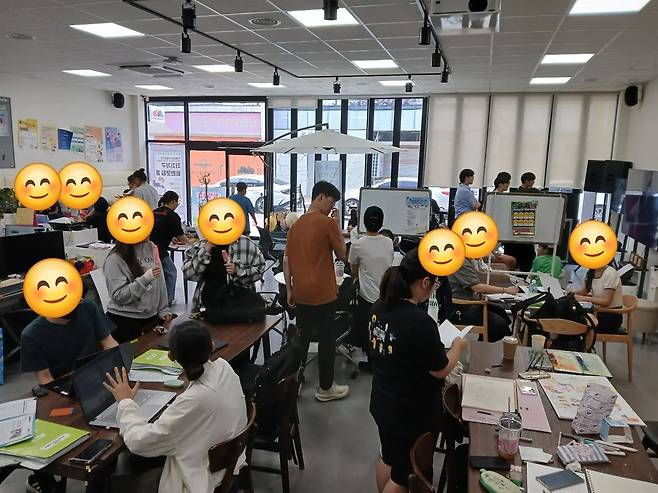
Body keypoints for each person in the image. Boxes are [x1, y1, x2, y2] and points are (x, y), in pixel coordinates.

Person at [104, 320, 248, 493]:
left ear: (171, 356)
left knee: (111, 482)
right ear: (212, 345)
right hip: (226, 468)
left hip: (198, 482)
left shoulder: (195, 399)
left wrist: (125, 402)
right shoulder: (225, 369)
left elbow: (139, 442)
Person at [370, 249, 469, 493]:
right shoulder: (419, 321)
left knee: (388, 458)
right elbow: (440, 370)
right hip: (410, 412)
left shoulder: (379, 307)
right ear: (425, 282)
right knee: (404, 477)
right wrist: (458, 346)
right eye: (435, 284)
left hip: (383, 400)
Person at [20, 298, 118, 493]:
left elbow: (108, 342)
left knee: (110, 442)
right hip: (65, 394)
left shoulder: (87, 307)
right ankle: (46, 481)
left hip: (97, 382)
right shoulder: (31, 334)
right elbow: (45, 379)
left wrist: (120, 367)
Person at [283, 181, 349, 402]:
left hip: (301, 292)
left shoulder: (295, 226)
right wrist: (337, 226)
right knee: (327, 340)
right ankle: (325, 388)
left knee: (302, 339)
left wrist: (289, 289)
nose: (332, 208)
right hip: (323, 293)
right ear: (320, 196)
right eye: (331, 202)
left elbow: (287, 260)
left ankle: (294, 383)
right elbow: (343, 254)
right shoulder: (327, 223)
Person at [348, 206, 394, 373]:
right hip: (386, 294)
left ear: (363, 222)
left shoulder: (357, 245)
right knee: (383, 329)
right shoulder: (389, 242)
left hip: (366, 296)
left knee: (368, 329)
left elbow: (353, 269)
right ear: (382, 223)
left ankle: (371, 361)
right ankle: (384, 359)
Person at [104, 240, 174, 343]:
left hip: (150, 320)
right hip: (124, 321)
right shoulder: (114, 258)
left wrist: (164, 309)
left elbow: (160, 281)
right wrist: (144, 280)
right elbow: (118, 296)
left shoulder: (151, 248)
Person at [182, 231, 265, 315]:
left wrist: (238, 270)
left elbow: (260, 269)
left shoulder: (247, 244)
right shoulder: (202, 244)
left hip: (240, 308)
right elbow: (188, 274)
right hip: (205, 307)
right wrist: (205, 251)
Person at [447, 258, 516, 342]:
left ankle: (483, 342)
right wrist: (505, 290)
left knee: (501, 312)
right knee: (498, 324)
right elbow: (477, 287)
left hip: (465, 303)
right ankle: (481, 346)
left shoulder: (465, 260)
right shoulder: (460, 262)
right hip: (457, 308)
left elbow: (474, 282)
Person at [152, 191, 189, 306]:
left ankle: (159, 299)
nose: (177, 205)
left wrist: (170, 237)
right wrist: (191, 243)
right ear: (173, 201)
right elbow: (180, 235)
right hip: (160, 251)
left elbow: (159, 229)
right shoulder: (173, 216)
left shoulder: (154, 212)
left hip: (148, 248)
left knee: (157, 274)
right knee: (171, 272)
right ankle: (168, 299)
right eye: (177, 202)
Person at [575, 264, 624, 333]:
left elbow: (606, 301)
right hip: (598, 312)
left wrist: (583, 298)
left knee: (577, 322)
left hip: (610, 316)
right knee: (573, 316)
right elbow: (584, 291)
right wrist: (571, 293)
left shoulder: (611, 273)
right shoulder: (591, 271)